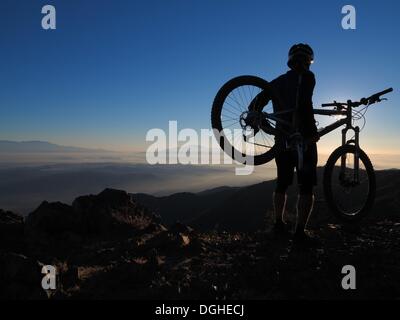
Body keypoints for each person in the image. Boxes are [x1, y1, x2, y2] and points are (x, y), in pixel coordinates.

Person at [269, 43, 319, 243]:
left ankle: (278, 224)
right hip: (304, 140)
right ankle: (300, 233)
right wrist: (313, 133)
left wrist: (264, 125)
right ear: (309, 61)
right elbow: (305, 104)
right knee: (306, 187)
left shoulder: (278, 81)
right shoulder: (309, 77)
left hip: (282, 140)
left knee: (282, 183)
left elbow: (256, 103)